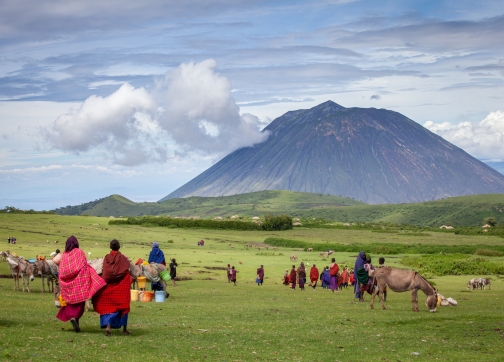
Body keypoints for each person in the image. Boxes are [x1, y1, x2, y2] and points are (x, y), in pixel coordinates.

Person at [57, 236, 106, 333]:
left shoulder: (64, 255)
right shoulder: (80, 253)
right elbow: (84, 266)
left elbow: (61, 270)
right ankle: (75, 318)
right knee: (79, 302)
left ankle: (74, 319)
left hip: (67, 284)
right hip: (79, 283)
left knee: (70, 302)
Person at [92, 239, 132, 336]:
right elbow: (126, 273)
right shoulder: (122, 258)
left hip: (108, 287)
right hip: (120, 288)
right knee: (124, 305)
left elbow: (104, 272)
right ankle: (124, 329)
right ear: (119, 247)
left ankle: (108, 326)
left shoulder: (107, 258)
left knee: (108, 307)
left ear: (110, 247)